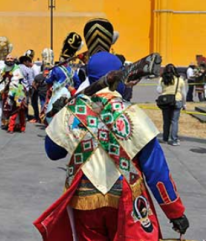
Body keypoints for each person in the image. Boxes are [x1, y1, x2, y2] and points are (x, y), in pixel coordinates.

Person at [36, 73, 190, 240]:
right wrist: (174, 211)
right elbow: (155, 168)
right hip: (125, 195)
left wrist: (57, 115)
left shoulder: (71, 111)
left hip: (85, 197)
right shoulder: (132, 113)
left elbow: (53, 152)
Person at [157, 63, 186, 146]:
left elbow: (158, 91)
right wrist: (184, 103)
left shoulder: (162, 79)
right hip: (177, 99)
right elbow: (184, 93)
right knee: (174, 121)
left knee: (166, 121)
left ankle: (165, 138)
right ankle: (174, 139)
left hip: (165, 101)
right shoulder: (180, 79)